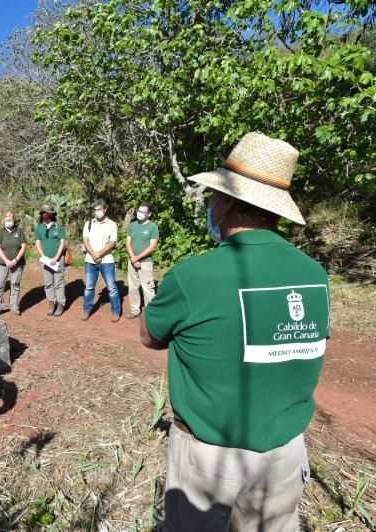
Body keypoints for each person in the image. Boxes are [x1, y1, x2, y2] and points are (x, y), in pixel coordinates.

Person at [139, 132, 330, 531]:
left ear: (224, 202)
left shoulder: (194, 275)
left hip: (210, 461)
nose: (210, 204)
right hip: (284, 455)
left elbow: (148, 335)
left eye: (213, 196)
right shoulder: (313, 275)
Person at [82, 198, 121, 322]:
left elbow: (112, 242)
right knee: (89, 287)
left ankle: (116, 311)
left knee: (112, 287)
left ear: (105, 209)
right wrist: (93, 254)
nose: (97, 212)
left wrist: (99, 253)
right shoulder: (89, 223)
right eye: (95, 210)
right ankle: (87, 310)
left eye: (99, 210)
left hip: (107, 261)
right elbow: (85, 240)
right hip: (90, 260)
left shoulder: (112, 224)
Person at [125, 202, 159, 319]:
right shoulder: (132, 226)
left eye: (143, 212)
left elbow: (152, 247)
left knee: (148, 288)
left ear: (149, 214)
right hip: (132, 261)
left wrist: (137, 258)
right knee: (133, 287)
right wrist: (133, 258)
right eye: (139, 211)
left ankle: (150, 313)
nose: (140, 214)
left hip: (146, 262)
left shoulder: (153, 227)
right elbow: (127, 243)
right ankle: (135, 310)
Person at [33, 204, 66, 317]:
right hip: (46, 259)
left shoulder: (58, 227)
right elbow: (37, 243)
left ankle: (61, 303)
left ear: (51, 214)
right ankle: (52, 302)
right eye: (43, 212)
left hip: (58, 259)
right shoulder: (39, 228)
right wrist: (44, 257)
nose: (44, 214)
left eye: (46, 212)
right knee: (48, 283)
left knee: (59, 282)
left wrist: (56, 257)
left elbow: (62, 242)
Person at [0, 211, 27, 315]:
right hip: (2, 262)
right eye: (7, 219)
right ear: (4, 220)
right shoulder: (0, 232)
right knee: (0, 284)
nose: (8, 221)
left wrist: (16, 259)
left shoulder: (19, 231)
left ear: (14, 220)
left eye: (10, 219)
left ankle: (14, 306)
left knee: (15, 284)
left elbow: (24, 246)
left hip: (18, 262)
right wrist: (6, 260)